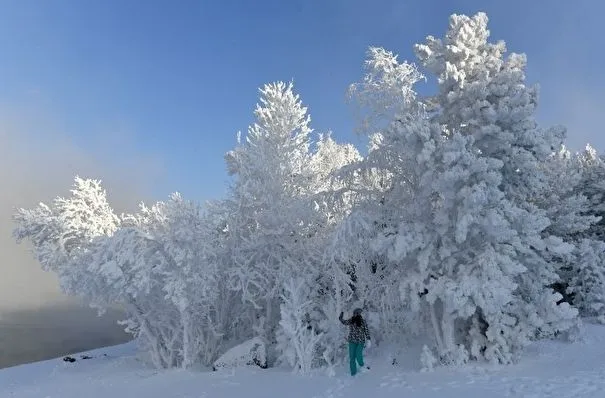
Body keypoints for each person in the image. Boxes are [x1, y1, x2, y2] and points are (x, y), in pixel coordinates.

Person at [339, 308, 371, 376]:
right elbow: (344, 322)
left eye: (357, 313)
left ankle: (362, 366)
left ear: (359, 314)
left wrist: (368, 339)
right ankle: (353, 373)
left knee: (358, 354)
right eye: (355, 313)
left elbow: (366, 330)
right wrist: (341, 317)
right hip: (352, 341)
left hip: (360, 341)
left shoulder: (363, 321)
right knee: (352, 357)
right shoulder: (351, 320)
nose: (356, 314)